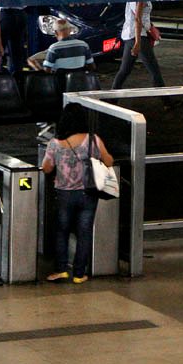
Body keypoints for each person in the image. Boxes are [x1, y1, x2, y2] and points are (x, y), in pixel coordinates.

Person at [41, 102, 114, 284]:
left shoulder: (55, 144)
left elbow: (46, 168)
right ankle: (80, 274)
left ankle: (61, 269)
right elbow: (109, 160)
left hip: (64, 194)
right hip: (88, 193)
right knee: (84, 232)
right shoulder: (93, 140)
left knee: (62, 232)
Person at [111, 1, 169, 91]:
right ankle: (167, 102)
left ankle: (112, 98)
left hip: (130, 36)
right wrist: (138, 43)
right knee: (154, 71)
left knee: (124, 71)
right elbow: (137, 19)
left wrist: (150, 27)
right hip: (138, 36)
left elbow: (140, 17)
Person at [27, 18, 93, 72]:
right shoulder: (84, 45)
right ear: (70, 30)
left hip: (61, 84)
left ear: (55, 32)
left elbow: (47, 71)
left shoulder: (54, 48)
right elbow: (92, 66)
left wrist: (40, 71)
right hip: (81, 82)